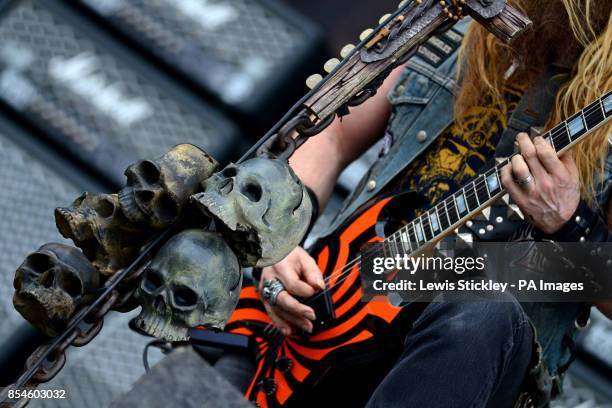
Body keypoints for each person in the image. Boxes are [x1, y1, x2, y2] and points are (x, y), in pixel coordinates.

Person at [256, 0, 612, 406]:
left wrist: (573, 222)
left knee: (479, 307)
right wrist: (278, 237)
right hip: (339, 300)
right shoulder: (450, 19)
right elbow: (333, 138)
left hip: (472, 356)